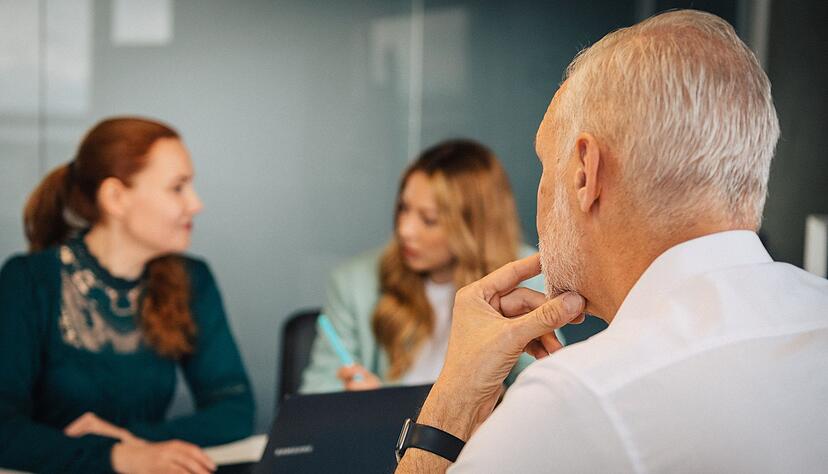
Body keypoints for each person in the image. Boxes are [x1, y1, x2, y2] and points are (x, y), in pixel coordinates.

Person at [396, 10, 828, 473]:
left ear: (586, 172)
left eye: (545, 165)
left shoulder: (574, 403)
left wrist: (450, 406)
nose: (539, 194)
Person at [0, 117, 255, 473]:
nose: (196, 204)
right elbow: (4, 429)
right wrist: (114, 456)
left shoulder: (192, 278)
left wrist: (133, 442)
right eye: (178, 188)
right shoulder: (28, 280)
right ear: (116, 198)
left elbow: (235, 409)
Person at [300, 139, 557, 393]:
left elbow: (542, 391)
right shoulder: (354, 282)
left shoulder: (524, 276)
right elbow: (316, 392)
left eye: (429, 219)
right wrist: (364, 406)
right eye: (404, 208)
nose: (405, 230)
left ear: (473, 226)